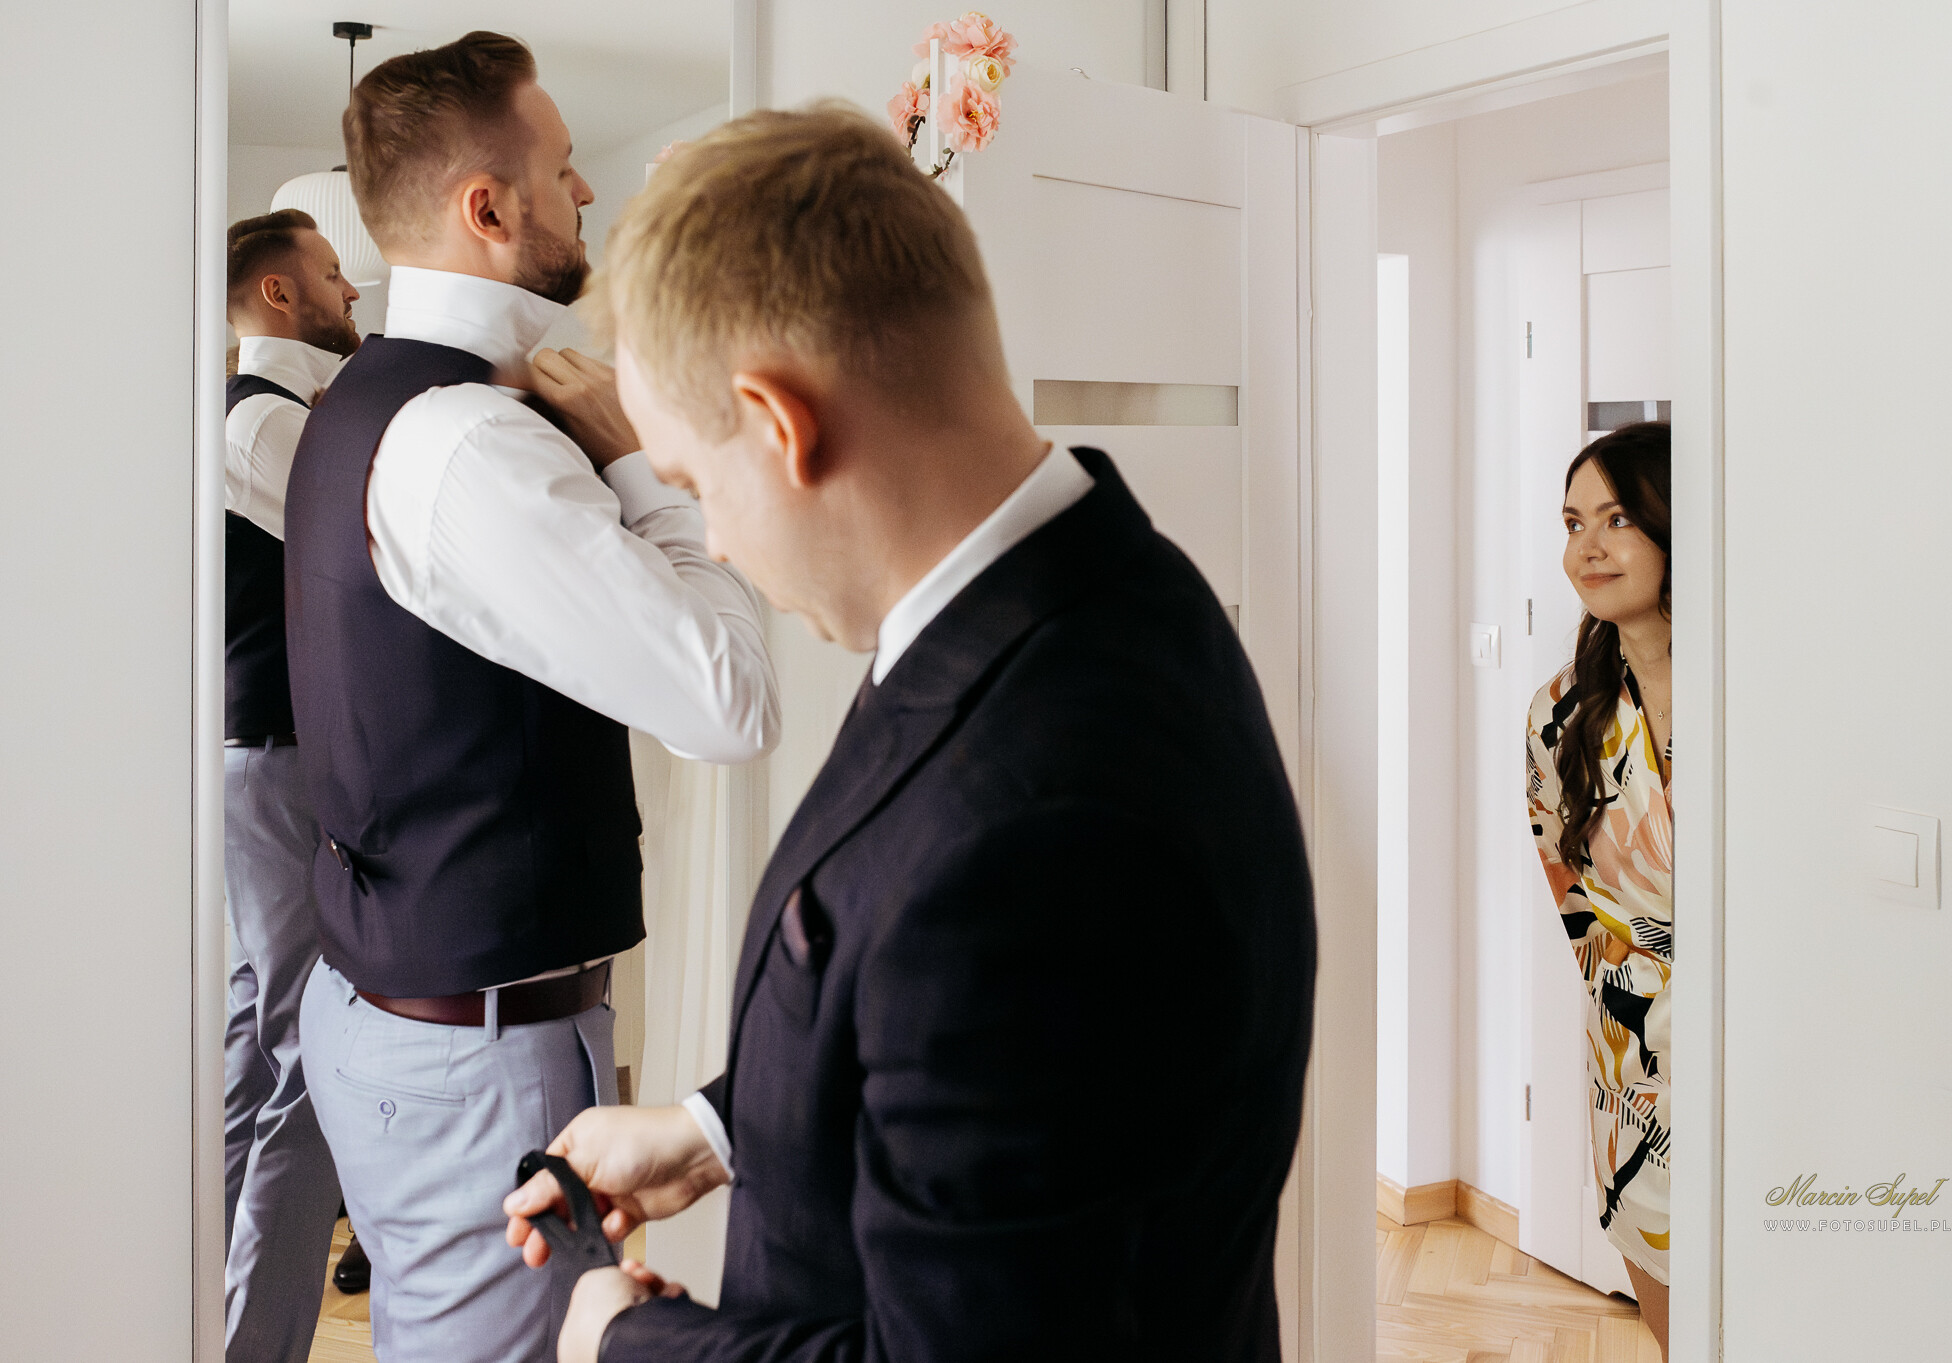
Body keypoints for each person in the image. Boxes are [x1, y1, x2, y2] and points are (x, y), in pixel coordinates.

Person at [502, 105, 1319, 1363]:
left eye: (697, 485)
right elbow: (969, 1054)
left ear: (780, 424)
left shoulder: (1036, 827)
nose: (713, 538)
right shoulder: (1093, 588)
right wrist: (718, 1131)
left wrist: (626, 1341)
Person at [283, 32, 779, 1363]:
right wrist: (643, 469)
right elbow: (728, 699)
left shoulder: (365, 399)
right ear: (488, 209)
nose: (589, 191)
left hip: (402, 1015)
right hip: (471, 1061)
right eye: (564, 169)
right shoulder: (475, 442)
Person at [221, 207, 360, 1361]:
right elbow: (362, 551)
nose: (350, 288)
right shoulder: (262, 420)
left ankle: (202, 1316)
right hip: (273, 760)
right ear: (278, 293)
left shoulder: (277, 413)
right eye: (330, 270)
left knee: (251, 1049)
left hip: (257, 761)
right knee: (309, 1053)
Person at [1525, 422, 1673, 1358]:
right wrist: (1644, 998)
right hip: (1635, 1062)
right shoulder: (1561, 712)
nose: (1588, 547)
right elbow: (1568, 885)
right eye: (1574, 522)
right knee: (1674, 1322)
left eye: (1617, 519)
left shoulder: (1763, 689)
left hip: (1777, 1049)